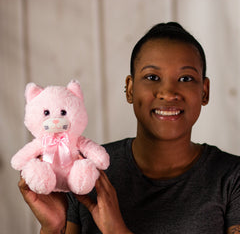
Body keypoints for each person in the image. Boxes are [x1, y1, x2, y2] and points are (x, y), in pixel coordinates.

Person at [18, 22, 240, 234]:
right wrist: (53, 227)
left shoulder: (232, 178)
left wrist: (117, 230)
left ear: (205, 91)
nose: (168, 92)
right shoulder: (85, 168)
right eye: (152, 77)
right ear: (130, 89)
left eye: (185, 78)